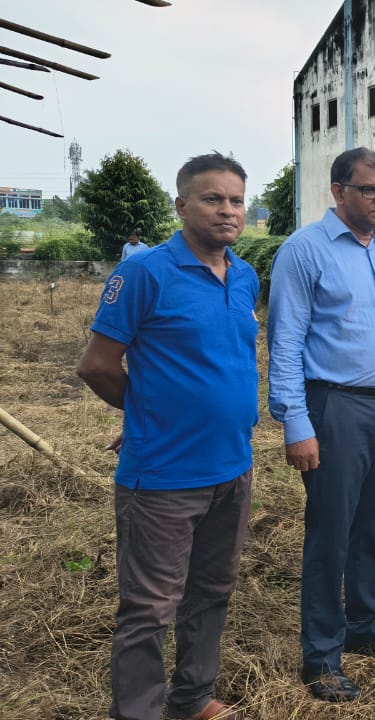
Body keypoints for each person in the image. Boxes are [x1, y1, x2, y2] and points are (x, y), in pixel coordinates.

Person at [77, 152, 256, 720]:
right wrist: (144, 416)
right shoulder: (145, 272)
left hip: (232, 466)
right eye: (212, 198)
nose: (227, 210)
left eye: (235, 200)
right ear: (181, 205)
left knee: (212, 593)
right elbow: (98, 364)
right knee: (149, 610)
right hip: (162, 478)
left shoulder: (245, 274)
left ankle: (192, 698)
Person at [268, 147, 375, 703]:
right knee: (331, 532)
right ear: (338, 191)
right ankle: (322, 654)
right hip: (335, 408)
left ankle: (365, 627)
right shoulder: (304, 252)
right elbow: (285, 341)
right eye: (370, 190)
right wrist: (295, 423)